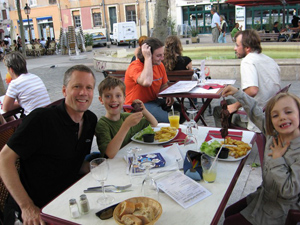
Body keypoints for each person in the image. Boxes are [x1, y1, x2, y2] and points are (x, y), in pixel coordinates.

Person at [0, 64, 97, 225]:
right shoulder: (41, 120)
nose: (83, 93)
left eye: (89, 87)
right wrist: (26, 206)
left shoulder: (90, 120)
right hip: (32, 210)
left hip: (65, 201)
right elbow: (4, 159)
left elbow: (73, 162)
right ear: (64, 90)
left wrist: (102, 167)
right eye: (77, 86)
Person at [222, 85, 300, 225]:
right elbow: (255, 112)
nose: (282, 117)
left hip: (279, 211)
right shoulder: (274, 133)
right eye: (275, 115)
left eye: (288, 112)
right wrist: (238, 93)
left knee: (229, 222)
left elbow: (289, 190)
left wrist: (277, 159)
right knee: (228, 212)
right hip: (263, 196)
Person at [213, 29, 281, 132]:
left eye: (237, 45)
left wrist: (235, 106)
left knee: (218, 111)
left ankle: (225, 143)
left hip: (257, 118)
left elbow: (252, 90)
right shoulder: (270, 60)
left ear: (247, 48)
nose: (234, 48)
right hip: (270, 111)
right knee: (228, 102)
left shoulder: (248, 61)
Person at [95, 76, 158, 158]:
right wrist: (126, 125)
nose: (113, 100)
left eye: (118, 96)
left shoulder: (126, 117)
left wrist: (143, 110)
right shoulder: (102, 124)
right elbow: (109, 154)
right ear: (101, 100)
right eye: (108, 96)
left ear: (124, 98)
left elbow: (154, 123)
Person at [124, 37, 182, 123]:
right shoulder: (135, 67)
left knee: (181, 112)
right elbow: (146, 82)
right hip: (137, 105)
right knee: (168, 120)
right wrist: (147, 58)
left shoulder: (159, 65)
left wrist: (168, 95)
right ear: (147, 54)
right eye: (158, 55)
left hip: (154, 101)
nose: (162, 58)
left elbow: (164, 85)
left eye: (163, 55)